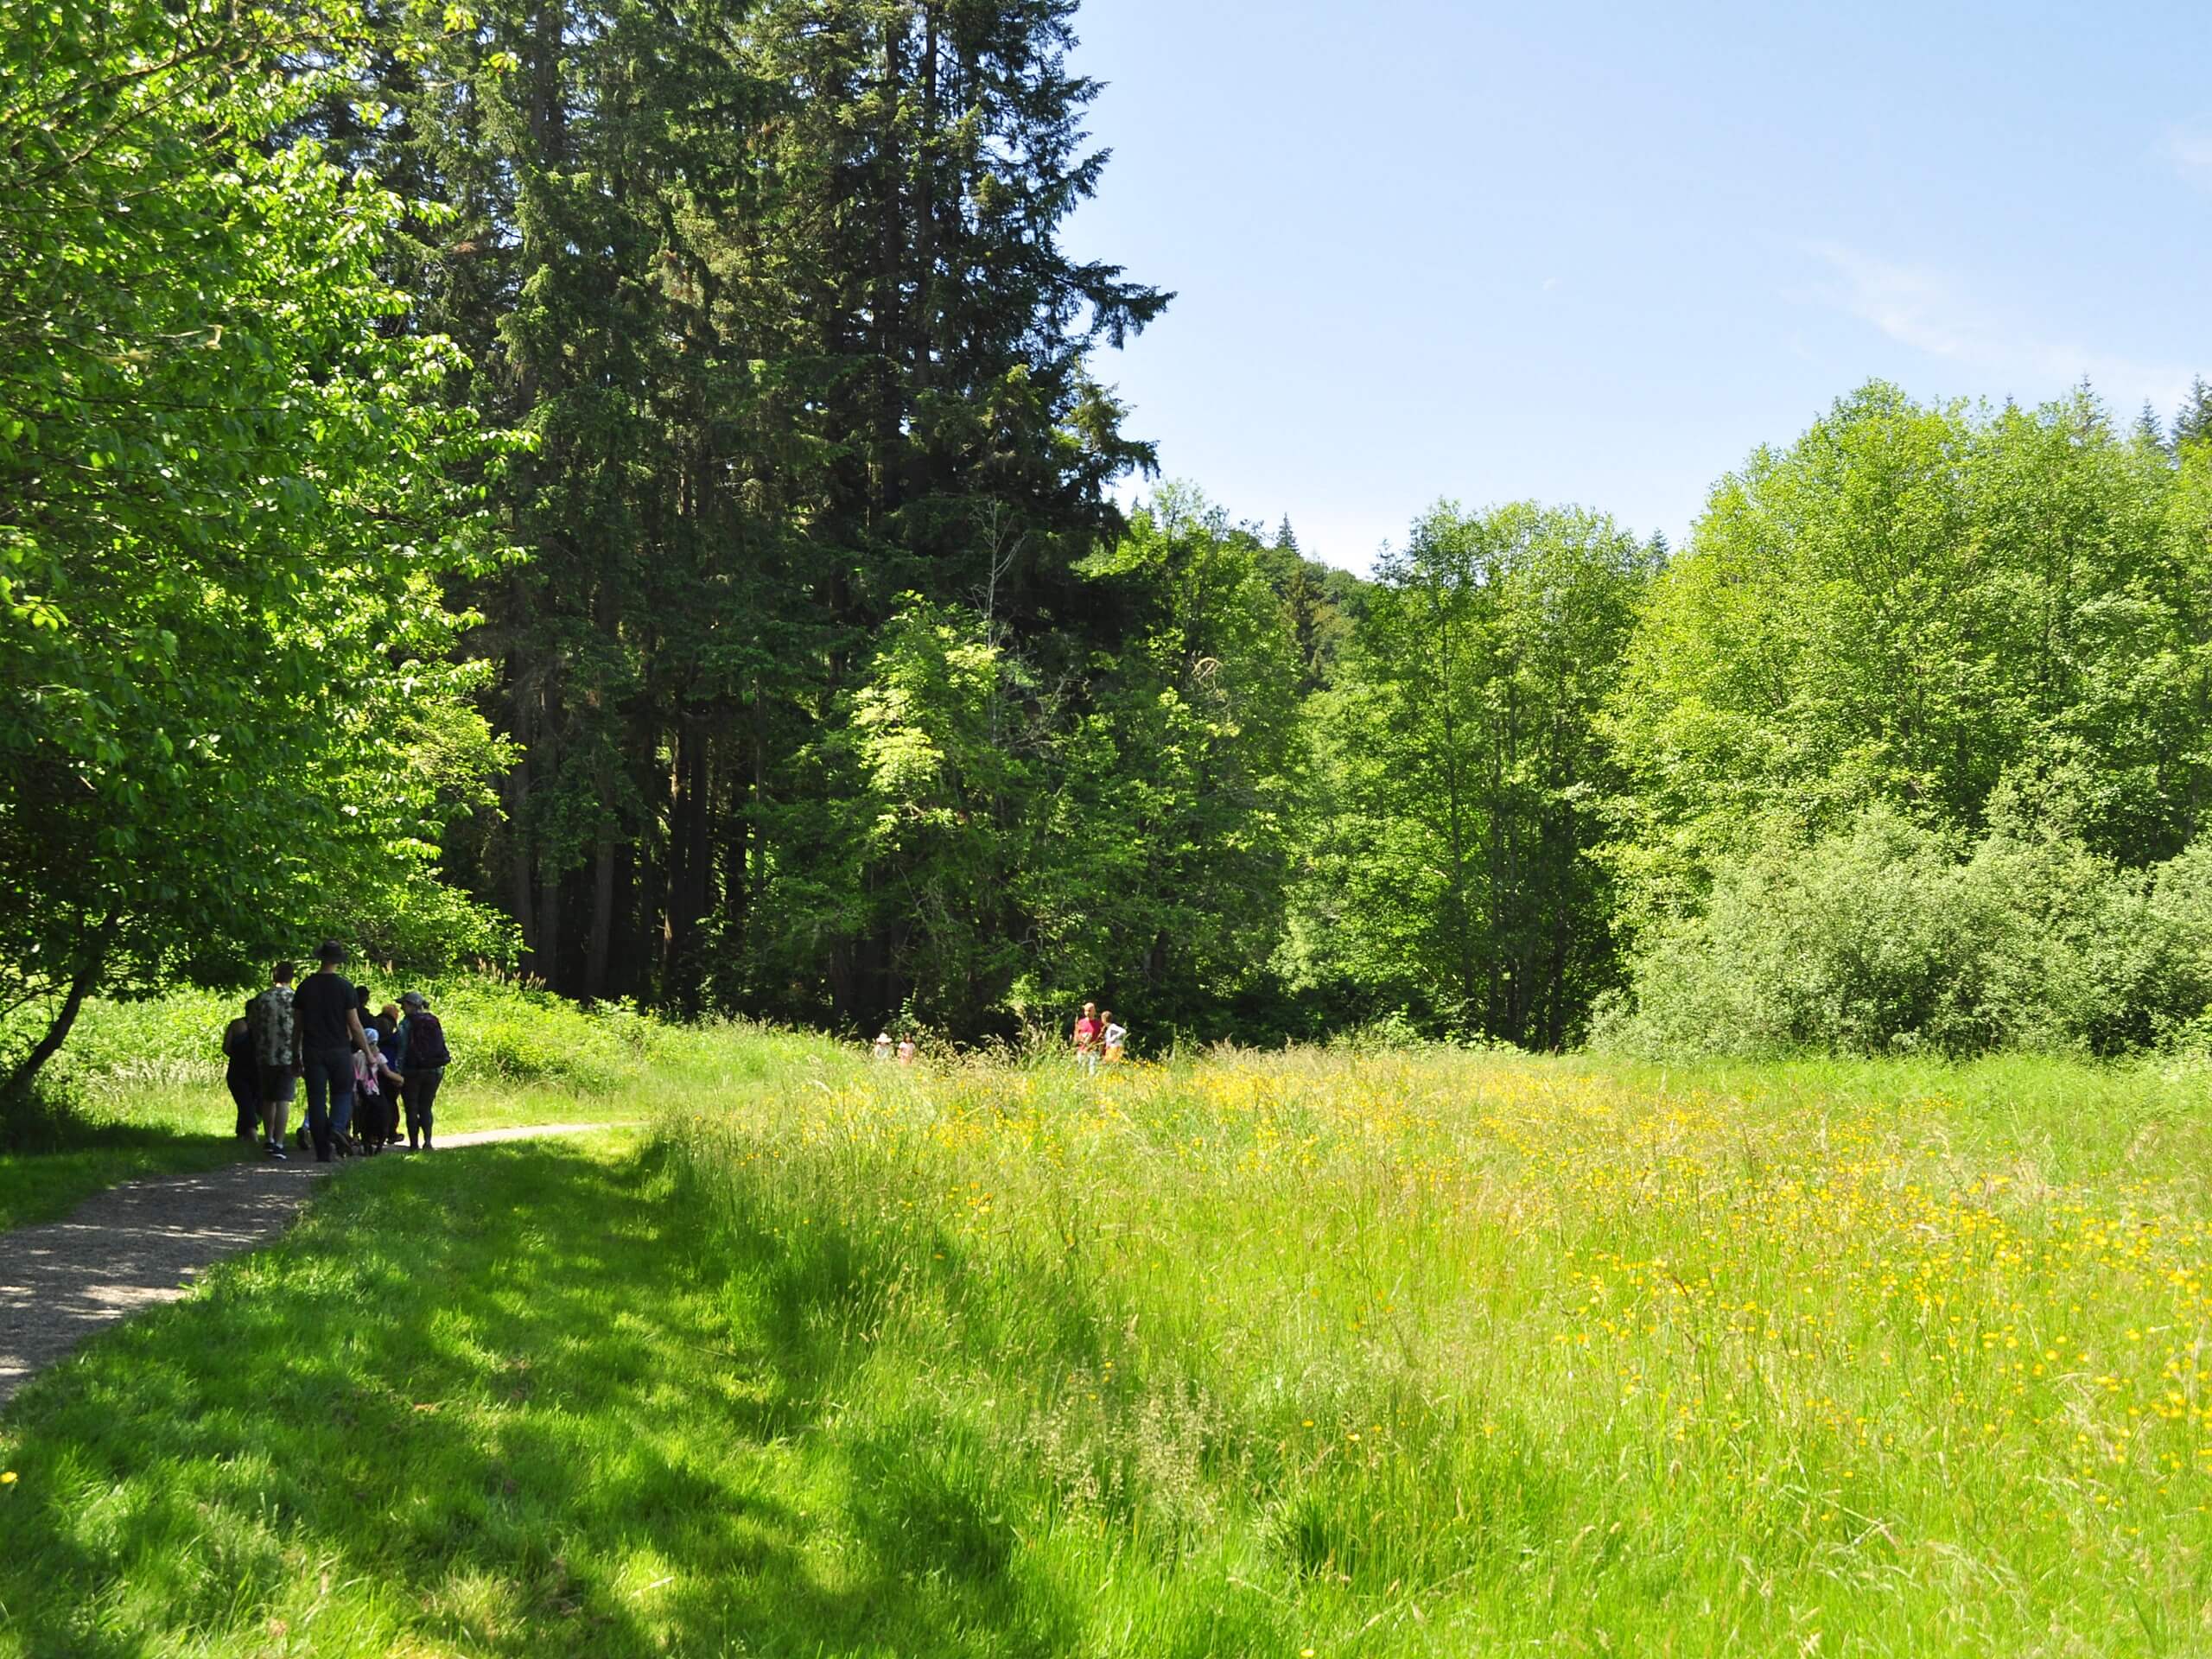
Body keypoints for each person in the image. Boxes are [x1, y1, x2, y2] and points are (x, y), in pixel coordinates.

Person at [292, 940, 379, 1163]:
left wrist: (295, 1054)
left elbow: (298, 1025)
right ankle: (337, 1128)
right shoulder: (345, 987)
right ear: (338, 961)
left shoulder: (305, 987)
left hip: (312, 1050)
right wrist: (368, 1055)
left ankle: (322, 1151)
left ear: (320, 958)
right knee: (342, 1093)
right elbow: (355, 1025)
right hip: (339, 1050)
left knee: (317, 1099)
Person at [246, 960, 299, 1160]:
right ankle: (279, 1142)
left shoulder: (262, 998)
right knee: (283, 1099)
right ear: (291, 977)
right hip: (288, 1055)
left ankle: (268, 1138)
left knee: (268, 1098)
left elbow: (252, 1024)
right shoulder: (295, 999)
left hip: (265, 1053)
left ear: (273, 977)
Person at [397, 990, 450, 1151]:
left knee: (412, 1107)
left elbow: (402, 1048)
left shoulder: (406, 1023)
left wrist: (398, 1071)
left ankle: (414, 1145)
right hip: (435, 1070)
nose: (401, 1008)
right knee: (426, 1107)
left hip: (412, 1071)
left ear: (411, 1005)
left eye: (404, 1004)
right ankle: (428, 1142)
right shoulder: (433, 1020)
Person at [222, 1001, 260, 1141]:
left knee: (244, 1102)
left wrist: (238, 1055)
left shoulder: (236, 1025)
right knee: (252, 1103)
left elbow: (226, 1048)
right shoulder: (264, 1027)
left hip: (237, 1069)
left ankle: (242, 1134)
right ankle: (252, 1133)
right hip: (258, 1070)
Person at [1073, 1002, 1103, 1073]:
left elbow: (1101, 1038)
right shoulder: (1081, 1022)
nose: (1087, 1013)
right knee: (1082, 1071)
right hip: (1082, 1050)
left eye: (1089, 1011)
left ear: (1094, 1011)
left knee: (1092, 1071)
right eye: (1086, 1011)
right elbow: (1076, 1036)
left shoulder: (1099, 1023)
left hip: (1093, 1051)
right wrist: (1081, 1039)